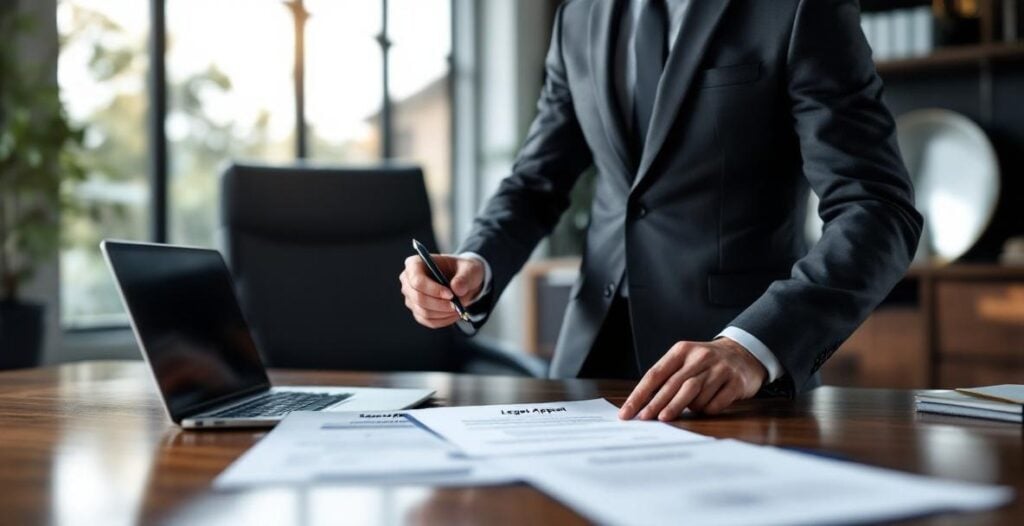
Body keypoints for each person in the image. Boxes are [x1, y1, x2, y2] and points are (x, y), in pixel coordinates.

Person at [399, 0, 922, 420]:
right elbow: (535, 182)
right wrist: (476, 263)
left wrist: (751, 346)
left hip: (730, 379)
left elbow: (876, 207)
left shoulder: (800, 8)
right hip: (584, 370)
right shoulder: (577, 16)